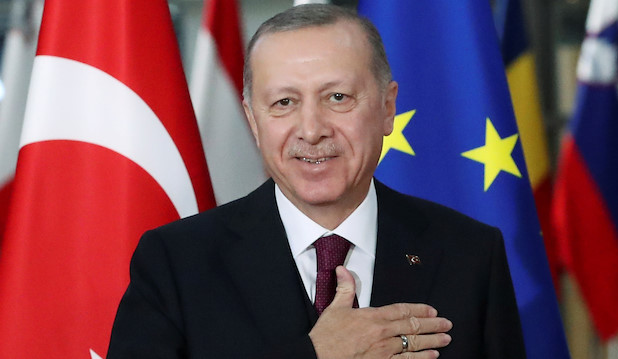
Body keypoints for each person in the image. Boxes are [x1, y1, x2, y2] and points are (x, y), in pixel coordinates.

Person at [107, 4, 525, 359]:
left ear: (386, 108)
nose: (311, 129)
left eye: (337, 97)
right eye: (284, 102)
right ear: (254, 121)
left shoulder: (469, 253)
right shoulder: (177, 263)